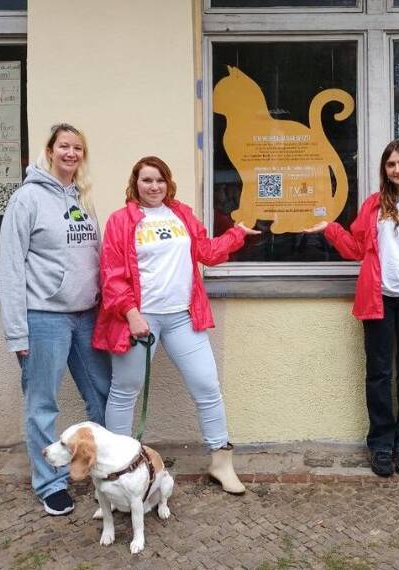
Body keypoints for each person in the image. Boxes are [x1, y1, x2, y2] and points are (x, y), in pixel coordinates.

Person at [93, 155, 261, 495]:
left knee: (207, 386)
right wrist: (130, 312)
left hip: (183, 315)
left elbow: (208, 252)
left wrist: (237, 234)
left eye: (159, 180)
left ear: (168, 183)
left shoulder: (181, 213)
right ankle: (116, 469)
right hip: (141, 319)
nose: (153, 186)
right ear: (135, 184)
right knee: (125, 392)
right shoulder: (121, 221)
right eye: (146, 180)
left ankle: (221, 462)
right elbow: (111, 274)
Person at [305, 139, 399, 477]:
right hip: (379, 297)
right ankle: (380, 444)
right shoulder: (374, 205)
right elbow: (357, 247)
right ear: (384, 170)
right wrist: (330, 229)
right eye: (391, 164)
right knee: (378, 374)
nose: (397, 169)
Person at [0, 123, 113, 516]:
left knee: (102, 394)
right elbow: (11, 268)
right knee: (42, 404)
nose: (71, 153)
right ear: (50, 150)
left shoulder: (82, 197)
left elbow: (92, 258)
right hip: (44, 318)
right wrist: (17, 332)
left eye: (78, 147)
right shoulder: (26, 199)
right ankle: (50, 483)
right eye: (64, 146)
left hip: (85, 316)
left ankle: (101, 468)